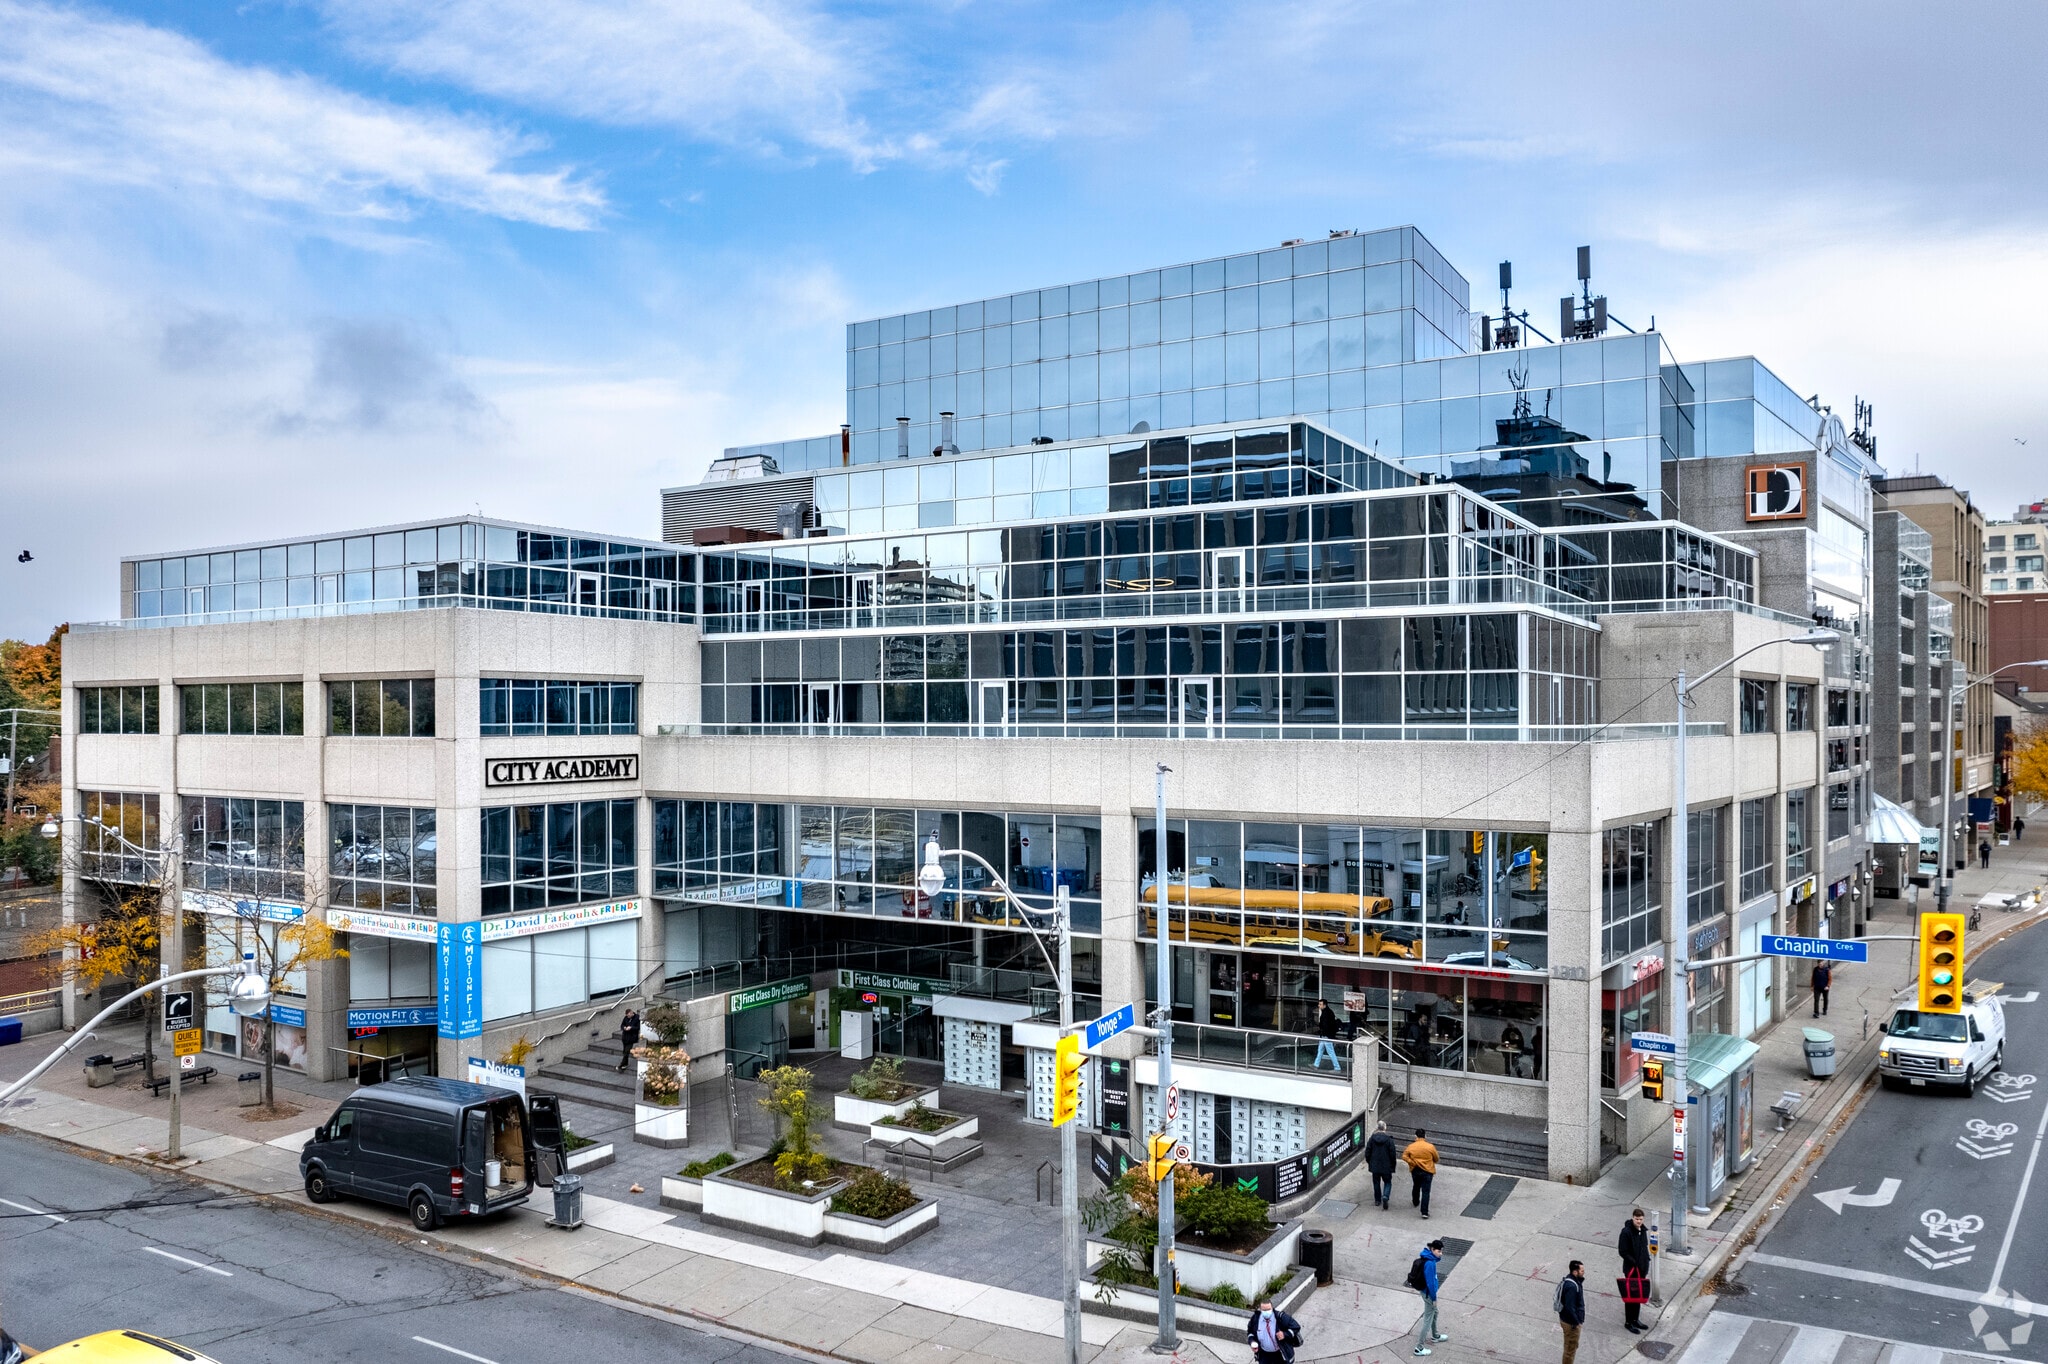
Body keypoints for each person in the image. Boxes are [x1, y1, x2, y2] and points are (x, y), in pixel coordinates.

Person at [1410, 1238, 1449, 1356]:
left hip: (1425, 1292)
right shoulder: (1430, 1264)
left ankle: (1435, 1335)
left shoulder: (1427, 1258)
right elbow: (1431, 1283)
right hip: (1428, 1294)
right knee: (1428, 1319)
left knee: (1435, 1312)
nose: (1440, 1254)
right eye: (1438, 1251)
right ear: (1432, 1250)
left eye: (1441, 1251)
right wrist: (1434, 1298)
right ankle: (1419, 1347)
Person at [1617, 1208, 1651, 1333]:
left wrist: (1645, 1262)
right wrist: (1634, 1263)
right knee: (1630, 1296)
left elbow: (1644, 1248)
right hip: (1632, 1269)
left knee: (1638, 1295)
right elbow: (1623, 1251)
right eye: (1637, 1219)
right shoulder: (1626, 1232)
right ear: (1632, 1218)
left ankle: (1635, 1319)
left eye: (1641, 1219)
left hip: (1642, 1269)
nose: (1639, 1221)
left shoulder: (1643, 1231)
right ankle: (1628, 1322)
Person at [1246, 1298, 1302, 1364]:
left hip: (1280, 1354)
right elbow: (1250, 1332)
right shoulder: (1255, 1319)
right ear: (1260, 1309)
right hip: (1264, 1355)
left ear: (1272, 1308)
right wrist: (1252, 1341)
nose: (1267, 1312)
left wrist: (1285, 1334)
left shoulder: (1280, 1318)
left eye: (1269, 1309)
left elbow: (1296, 1327)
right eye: (1264, 1310)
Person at [1404, 1128, 1439, 1218]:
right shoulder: (1430, 1147)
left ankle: (1415, 1201)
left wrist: (1412, 1162)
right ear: (1425, 1136)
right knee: (1426, 1191)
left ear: (1415, 1136)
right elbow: (1436, 1158)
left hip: (1415, 1170)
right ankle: (1424, 1212)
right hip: (1428, 1170)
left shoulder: (1411, 1146)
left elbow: (1404, 1156)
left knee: (1416, 1186)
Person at [1556, 1260, 1587, 1363]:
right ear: (1575, 1272)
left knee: (1572, 1347)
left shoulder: (1572, 1281)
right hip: (1571, 1323)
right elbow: (1570, 1307)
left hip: (1570, 1321)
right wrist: (1576, 1322)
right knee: (1570, 1350)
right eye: (1582, 1270)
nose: (1583, 1272)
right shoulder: (1572, 1287)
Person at [1365, 1120, 1400, 1210]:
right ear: (1385, 1128)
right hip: (1386, 1166)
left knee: (1376, 1182)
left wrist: (1369, 1162)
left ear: (1377, 1128)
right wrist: (1393, 1165)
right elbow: (1393, 1154)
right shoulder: (1389, 1140)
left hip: (1375, 1165)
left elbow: (1368, 1151)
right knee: (1387, 1182)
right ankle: (1385, 1196)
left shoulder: (1372, 1138)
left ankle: (1377, 1200)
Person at [1313, 1001, 1342, 1070]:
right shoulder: (1328, 1012)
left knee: (1330, 1052)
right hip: (1325, 1035)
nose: (1319, 1006)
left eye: (1320, 1004)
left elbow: (1326, 1026)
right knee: (1320, 1050)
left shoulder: (1326, 1013)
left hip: (1326, 1035)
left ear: (1324, 1005)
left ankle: (1337, 1067)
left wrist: (1323, 1032)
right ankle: (1316, 1064)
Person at [618, 1007, 642, 1071]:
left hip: (631, 1037)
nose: (628, 1017)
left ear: (631, 1013)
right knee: (624, 1051)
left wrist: (631, 1027)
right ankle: (625, 1063)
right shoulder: (626, 1018)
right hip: (625, 1036)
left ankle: (622, 1064)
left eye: (629, 1015)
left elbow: (638, 1027)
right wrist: (624, 1027)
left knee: (627, 1051)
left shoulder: (637, 1018)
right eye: (627, 1016)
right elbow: (622, 1025)